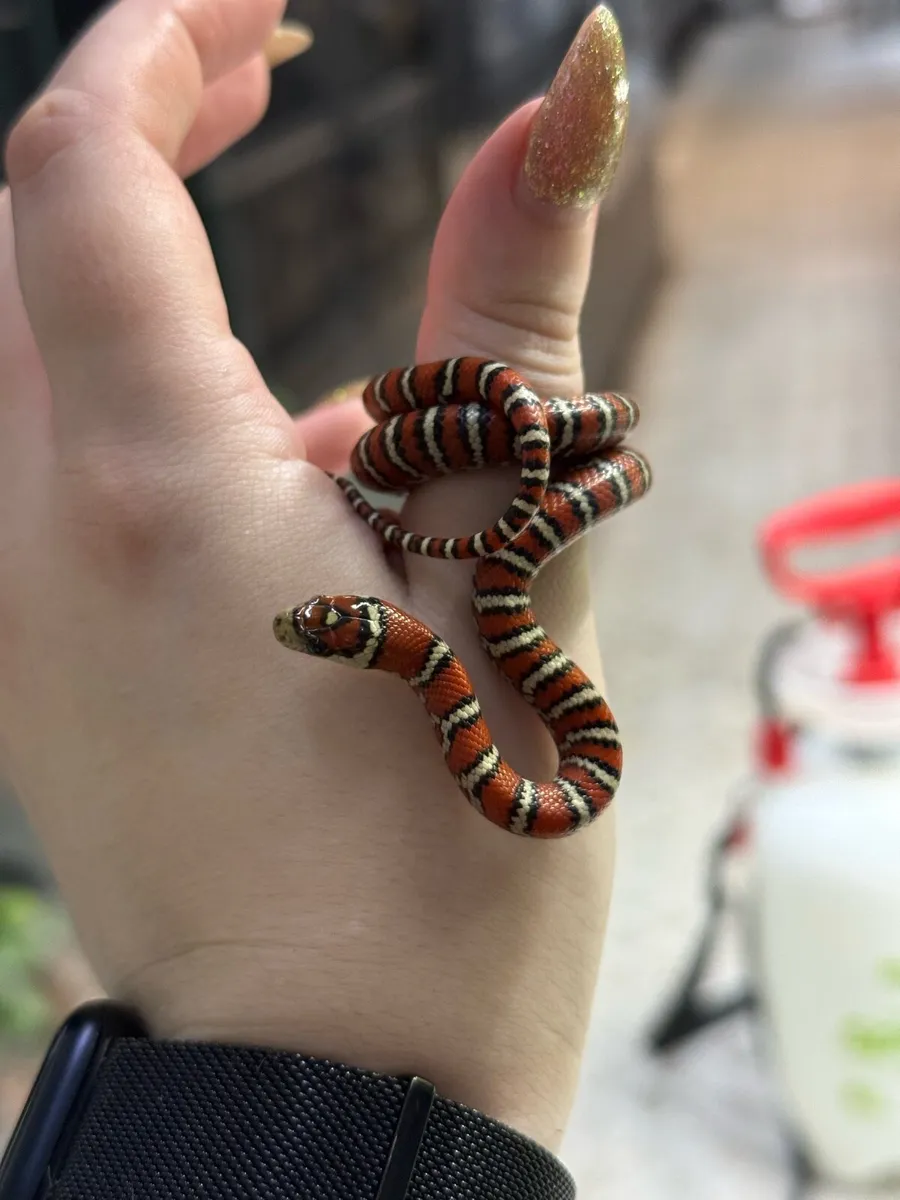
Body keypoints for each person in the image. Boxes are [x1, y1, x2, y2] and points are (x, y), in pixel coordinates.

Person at [0, 0, 629, 1162]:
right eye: (337, 632)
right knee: (375, 444)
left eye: (329, 632)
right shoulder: (465, 689)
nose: (315, 632)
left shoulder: (459, 675)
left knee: (378, 445)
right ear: (380, 646)